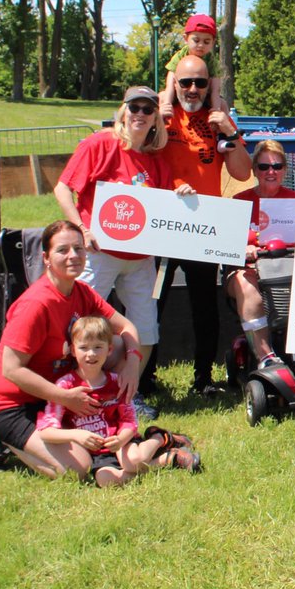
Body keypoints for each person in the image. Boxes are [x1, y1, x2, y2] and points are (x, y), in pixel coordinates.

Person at [54, 86, 195, 419]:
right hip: (98, 254)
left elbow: (160, 209)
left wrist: (183, 194)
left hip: (139, 260)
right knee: (76, 325)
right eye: (135, 107)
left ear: (156, 120)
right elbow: (63, 188)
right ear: (123, 110)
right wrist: (80, 231)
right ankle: (70, 393)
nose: (140, 115)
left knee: (145, 328)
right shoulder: (100, 144)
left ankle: (128, 394)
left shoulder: (154, 160)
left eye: (148, 110)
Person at [0, 221, 144, 477]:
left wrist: (133, 362)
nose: (73, 256)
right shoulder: (36, 304)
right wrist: (65, 398)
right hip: (10, 403)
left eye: (78, 248)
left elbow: (126, 328)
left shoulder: (81, 291)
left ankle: (110, 415)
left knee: (118, 345)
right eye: (62, 250)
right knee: (77, 469)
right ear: (45, 258)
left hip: (49, 395)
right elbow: (11, 370)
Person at [157, 54, 253, 396]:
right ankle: (145, 378)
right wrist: (157, 113)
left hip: (201, 228)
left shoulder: (217, 120)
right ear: (175, 83)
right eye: (185, 82)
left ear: (209, 84)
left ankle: (202, 380)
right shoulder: (161, 115)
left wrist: (231, 131)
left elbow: (243, 172)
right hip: (160, 226)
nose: (192, 89)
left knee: (204, 308)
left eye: (200, 82)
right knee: (153, 303)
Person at [37, 316, 200, 486]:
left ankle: (160, 437)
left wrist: (122, 439)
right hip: (94, 453)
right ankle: (169, 459)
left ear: (109, 349)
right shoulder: (65, 385)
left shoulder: (116, 382)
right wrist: (77, 435)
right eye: (83, 347)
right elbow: (45, 431)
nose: (91, 354)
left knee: (135, 460)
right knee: (105, 480)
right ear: (72, 350)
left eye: (98, 347)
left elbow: (130, 420)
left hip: (121, 442)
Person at [226, 139, 295, 367]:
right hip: (249, 270)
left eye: (277, 166)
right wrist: (243, 249)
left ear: (285, 170)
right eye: (263, 167)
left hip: (287, 270)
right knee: (246, 284)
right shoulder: (240, 202)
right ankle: (265, 357)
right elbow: (226, 244)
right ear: (255, 170)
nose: (271, 172)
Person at [161, 15, 231, 150]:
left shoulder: (211, 61)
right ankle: (159, 129)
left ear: (213, 42)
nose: (200, 45)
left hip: (204, 95)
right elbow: (171, 81)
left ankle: (221, 137)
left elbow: (215, 88)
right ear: (186, 39)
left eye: (206, 42)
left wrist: (215, 110)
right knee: (162, 97)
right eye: (196, 40)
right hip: (179, 93)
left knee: (223, 105)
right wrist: (167, 103)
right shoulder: (180, 55)